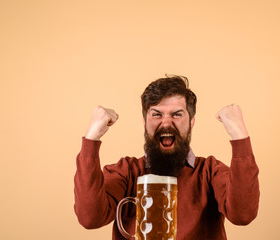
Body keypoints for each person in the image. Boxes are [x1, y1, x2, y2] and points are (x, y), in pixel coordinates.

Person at [74, 75, 260, 240]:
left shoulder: (210, 171)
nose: (166, 123)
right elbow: (90, 218)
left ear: (192, 122)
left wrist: (239, 135)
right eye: (156, 114)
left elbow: (243, 214)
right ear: (145, 121)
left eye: (177, 114)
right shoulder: (126, 171)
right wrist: (92, 138)